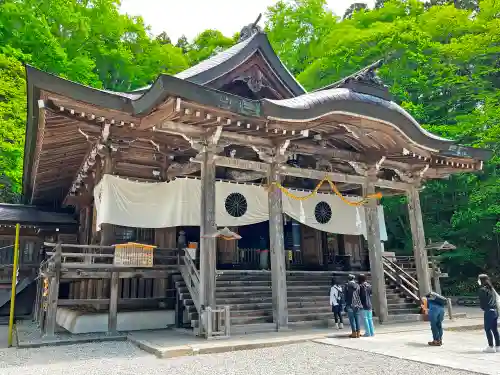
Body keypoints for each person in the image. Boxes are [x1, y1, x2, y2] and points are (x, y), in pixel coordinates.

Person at [478, 273, 500, 352]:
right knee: (495, 329)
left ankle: (490, 346)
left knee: (487, 329)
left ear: (481, 280)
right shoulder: (492, 289)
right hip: (495, 311)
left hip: (489, 311)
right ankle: (498, 346)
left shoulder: (482, 290)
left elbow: (482, 302)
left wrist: (483, 308)